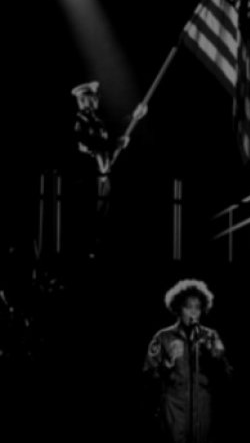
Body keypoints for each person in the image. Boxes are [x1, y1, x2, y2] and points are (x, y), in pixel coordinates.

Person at [144, 279, 232, 443]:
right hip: (174, 410)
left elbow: (227, 376)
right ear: (178, 308)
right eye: (188, 307)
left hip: (203, 410)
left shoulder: (210, 336)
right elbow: (147, 376)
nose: (193, 313)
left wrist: (215, 358)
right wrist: (165, 366)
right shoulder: (163, 337)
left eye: (197, 308)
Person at [70, 81, 146, 255]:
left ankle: (97, 250)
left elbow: (114, 128)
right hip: (88, 178)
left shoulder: (97, 122)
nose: (95, 101)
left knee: (102, 219)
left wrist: (134, 117)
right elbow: (85, 146)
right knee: (87, 219)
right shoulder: (79, 122)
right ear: (83, 101)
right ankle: (85, 253)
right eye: (90, 99)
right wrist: (114, 144)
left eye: (94, 98)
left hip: (103, 176)